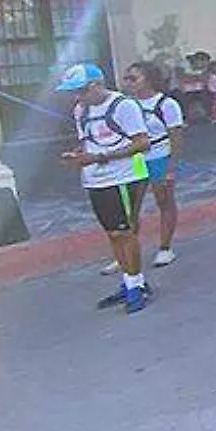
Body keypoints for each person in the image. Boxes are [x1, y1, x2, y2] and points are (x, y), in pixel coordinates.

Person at [58, 64, 153, 314]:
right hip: (96, 180)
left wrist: (101, 157)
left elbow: (142, 143)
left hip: (124, 177)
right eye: (73, 92)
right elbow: (88, 143)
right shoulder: (81, 110)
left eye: (80, 91)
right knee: (113, 233)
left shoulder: (124, 106)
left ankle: (136, 286)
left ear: (97, 85)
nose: (77, 97)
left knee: (125, 232)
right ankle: (131, 280)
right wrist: (78, 156)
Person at [121, 61, 183, 268]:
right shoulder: (126, 105)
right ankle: (127, 250)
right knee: (131, 205)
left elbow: (176, 136)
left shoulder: (166, 104)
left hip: (159, 156)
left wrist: (172, 167)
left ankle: (165, 247)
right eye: (127, 78)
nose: (128, 83)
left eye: (134, 78)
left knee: (163, 200)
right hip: (137, 159)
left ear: (148, 79)